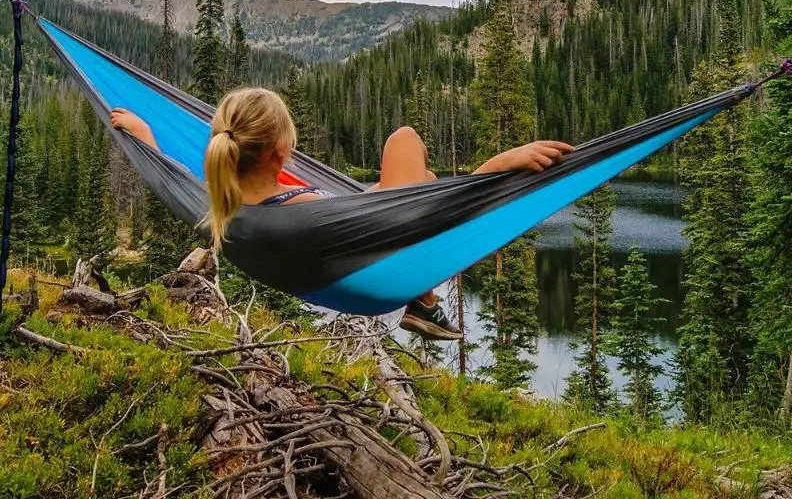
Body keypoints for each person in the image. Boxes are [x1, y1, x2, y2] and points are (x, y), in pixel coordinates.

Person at [110, 88, 573, 341]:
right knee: (405, 140)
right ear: (281, 152)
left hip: (340, 253)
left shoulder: (219, 205)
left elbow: (175, 178)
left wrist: (146, 135)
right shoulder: (301, 213)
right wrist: (495, 169)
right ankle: (424, 301)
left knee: (423, 176)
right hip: (376, 275)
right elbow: (425, 223)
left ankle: (427, 302)